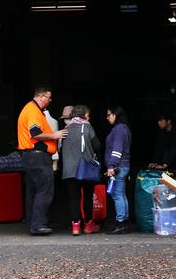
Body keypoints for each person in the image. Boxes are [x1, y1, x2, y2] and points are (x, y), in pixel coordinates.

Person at [17, 87, 67, 235]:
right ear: (40, 96)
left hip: (30, 156)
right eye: (49, 97)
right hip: (38, 156)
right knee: (44, 189)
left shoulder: (31, 109)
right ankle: (38, 224)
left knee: (33, 191)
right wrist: (54, 135)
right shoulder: (33, 110)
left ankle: (33, 223)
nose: (50, 100)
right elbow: (35, 133)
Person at [61, 105, 101, 235]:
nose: (89, 117)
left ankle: (76, 227)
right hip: (85, 169)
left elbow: (61, 150)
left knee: (74, 198)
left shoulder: (65, 130)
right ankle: (89, 225)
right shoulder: (87, 127)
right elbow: (97, 145)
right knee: (88, 197)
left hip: (69, 170)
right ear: (83, 114)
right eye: (88, 114)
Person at [104, 105, 132, 235]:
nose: (107, 117)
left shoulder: (119, 129)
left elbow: (117, 148)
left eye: (109, 114)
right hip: (123, 165)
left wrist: (111, 165)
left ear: (116, 115)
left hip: (118, 166)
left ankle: (120, 223)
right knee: (121, 194)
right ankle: (124, 223)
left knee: (117, 195)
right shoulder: (123, 128)